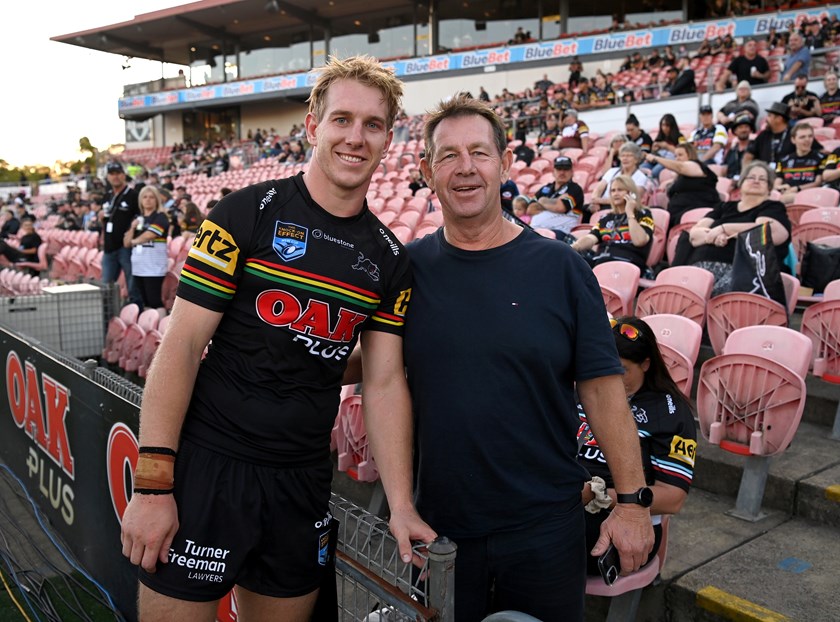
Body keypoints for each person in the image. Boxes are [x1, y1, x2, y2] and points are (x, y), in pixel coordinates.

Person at [120, 55, 436, 622]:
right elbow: (182, 347)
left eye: (372, 125)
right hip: (209, 469)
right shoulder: (244, 214)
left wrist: (403, 504)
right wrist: (151, 486)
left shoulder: (390, 260)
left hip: (301, 482)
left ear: (389, 139)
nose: (355, 137)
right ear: (313, 126)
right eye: (342, 119)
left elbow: (385, 381)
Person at [407, 94, 653, 622]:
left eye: (479, 152)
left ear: (505, 163)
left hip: (545, 527)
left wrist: (632, 502)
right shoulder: (407, 269)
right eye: (448, 155)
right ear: (427, 171)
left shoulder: (561, 269)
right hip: (440, 530)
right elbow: (370, 366)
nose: (466, 168)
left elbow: (603, 389)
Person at [578, 316, 696, 577]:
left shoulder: (670, 411)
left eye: (620, 370)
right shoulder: (585, 386)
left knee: (542, 542)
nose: (610, 376)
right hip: (562, 501)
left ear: (645, 364)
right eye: (603, 366)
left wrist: (600, 495)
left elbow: (673, 498)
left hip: (622, 520)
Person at [676, 161, 791, 296]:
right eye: (751, 177)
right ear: (741, 183)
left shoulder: (772, 207)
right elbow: (695, 235)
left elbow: (769, 232)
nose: (756, 181)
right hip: (700, 267)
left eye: (762, 179)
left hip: (740, 271)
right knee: (681, 295)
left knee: (717, 298)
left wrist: (725, 228)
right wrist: (714, 236)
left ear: (769, 187)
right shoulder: (724, 207)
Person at [571, 175, 654, 271]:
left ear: (631, 193)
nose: (615, 194)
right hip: (600, 261)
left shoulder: (644, 214)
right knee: (568, 263)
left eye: (620, 190)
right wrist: (574, 247)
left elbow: (639, 241)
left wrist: (630, 213)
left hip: (626, 263)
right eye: (613, 190)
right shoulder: (606, 218)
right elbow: (591, 238)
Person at [646, 142, 720, 226]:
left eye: (680, 155)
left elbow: (680, 167)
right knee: (647, 213)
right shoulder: (680, 176)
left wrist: (656, 158)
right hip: (676, 214)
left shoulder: (696, 165)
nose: (677, 158)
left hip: (695, 214)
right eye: (675, 156)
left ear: (690, 155)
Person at [124, 186, 170, 311]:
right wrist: (132, 228)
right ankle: (150, 328)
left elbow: (150, 234)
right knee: (145, 301)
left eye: (151, 197)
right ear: (140, 200)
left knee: (155, 300)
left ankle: (161, 328)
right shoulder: (137, 219)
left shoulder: (161, 216)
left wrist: (134, 241)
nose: (148, 200)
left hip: (154, 266)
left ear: (156, 200)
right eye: (145, 197)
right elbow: (126, 243)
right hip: (139, 266)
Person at [101, 161, 140, 298]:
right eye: (112, 174)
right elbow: (106, 221)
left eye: (118, 173)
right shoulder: (107, 196)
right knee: (106, 285)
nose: (115, 177)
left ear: (124, 175)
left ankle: (136, 311)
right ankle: (107, 315)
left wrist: (132, 234)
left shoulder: (133, 195)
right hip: (109, 247)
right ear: (107, 177)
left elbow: (140, 218)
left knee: (132, 284)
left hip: (126, 247)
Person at [589, 142, 651, 217]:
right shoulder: (612, 171)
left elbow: (633, 198)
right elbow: (598, 189)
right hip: (602, 205)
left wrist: (600, 201)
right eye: (622, 155)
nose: (625, 158)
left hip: (623, 208)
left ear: (636, 159)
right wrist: (595, 202)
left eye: (629, 156)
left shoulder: (641, 177)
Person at [530, 156, 585, 234]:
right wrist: (551, 201)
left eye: (566, 169)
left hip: (561, 232)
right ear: (553, 172)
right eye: (559, 169)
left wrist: (541, 201)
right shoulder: (546, 188)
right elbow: (530, 209)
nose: (562, 172)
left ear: (572, 172)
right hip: (537, 231)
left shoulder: (575, 189)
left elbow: (560, 207)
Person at [774, 121, 825, 204]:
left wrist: (797, 189)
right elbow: (777, 183)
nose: (807, 140)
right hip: (786, 195)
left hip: (810, 197)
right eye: (802, 137)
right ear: (793, 140)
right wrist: (781, 188)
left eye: (810, 136)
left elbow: (818, 183)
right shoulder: (784, 160)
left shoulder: (821, 158)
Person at [643, 113, 685, 181]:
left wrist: (666, 146)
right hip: (656, 159)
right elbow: (653, 152)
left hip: (668, 161)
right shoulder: (660, 137)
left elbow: (682, 152)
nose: (664, 128)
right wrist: (654, 149)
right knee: (642, 168)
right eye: (663, 125)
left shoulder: (679, 137)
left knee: (655, 172)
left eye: (667, 125)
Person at [724, 115, 755, 179]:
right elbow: (724, 168)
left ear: (750, 130)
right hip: (730, 183)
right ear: (735, 131)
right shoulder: (731, 151)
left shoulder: (756, 149)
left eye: (746, 127)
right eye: (740, 127)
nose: (743, 130)